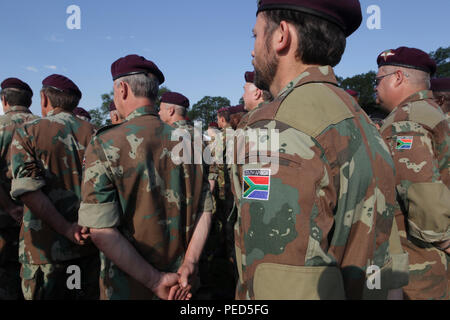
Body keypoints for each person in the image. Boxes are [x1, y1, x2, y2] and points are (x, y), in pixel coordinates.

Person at [229, 0, 407, 300]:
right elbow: (388, 266)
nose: (252, 49)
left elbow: (282, 287)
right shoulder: (361, 120)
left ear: (281, 35)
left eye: (256, 36)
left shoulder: (276, 127)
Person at [77, 54, 213, 300]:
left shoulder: (105, 144)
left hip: (129, 287)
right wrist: (191, 262)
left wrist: (155, 280)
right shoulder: (193, 143)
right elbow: (206, 208)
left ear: (123, 89)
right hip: (183, 283)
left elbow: (99, 229)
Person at [9, 74, 99, 300]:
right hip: (88, 246)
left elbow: (28, 189)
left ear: (44, 99)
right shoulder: (96, 134)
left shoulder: (29, 131)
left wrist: (66, 228)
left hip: (44, 250)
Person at [375, 47, 450, 300]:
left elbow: (423, 195)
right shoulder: (432, 112)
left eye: (378, 80)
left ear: (397, 77)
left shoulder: (405, 121)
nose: (375, 87)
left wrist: (443, 239)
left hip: (419, 263)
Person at [0, 78, 39, 300]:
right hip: (40, 217)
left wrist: (8, 206)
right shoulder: (42, 126)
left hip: (4, 219)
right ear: (31, 100)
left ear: (4, 99)